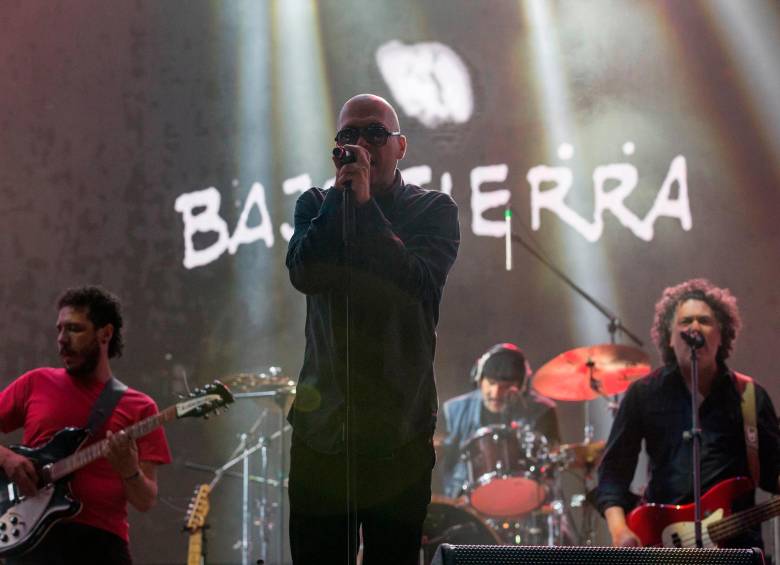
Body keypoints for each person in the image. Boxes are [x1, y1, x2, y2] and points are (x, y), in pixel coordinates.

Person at [285, 93, 459, 564]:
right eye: (349, 135)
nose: (361, 144)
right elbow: (304, 274)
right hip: (323, 433)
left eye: (375, 133)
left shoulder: (433, 210)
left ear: (400, 146)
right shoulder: (316, 205)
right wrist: (342, 201)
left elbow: (413, 285)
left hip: (398, 436)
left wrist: (364, 208)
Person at [597, 278, 780, 548]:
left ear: (722, 335)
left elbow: (772, 471)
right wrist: (619, 531)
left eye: (705, 321)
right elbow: (613, 474)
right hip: (663, 542)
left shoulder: (749, 396)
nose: (695, 327)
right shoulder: (644, 393)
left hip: (735, 547)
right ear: (670, 338)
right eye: (685, 322)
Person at [0, 286, 172, 564]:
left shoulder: (141, 407)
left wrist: (129, 471)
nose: (62, 339)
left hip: (101, 545)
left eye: (74, 329)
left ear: (105, 334)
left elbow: (145, 500)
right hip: (33, 540)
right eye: (59, 330)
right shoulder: (37, 382)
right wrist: (7, 458)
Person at [439, 342, 560, 501]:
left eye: (506, 386)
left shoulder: (542, 411)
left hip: (525, 498)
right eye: (491, 383)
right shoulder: (453, 411)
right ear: (479, 379)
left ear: (522, 387)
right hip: (464, 501)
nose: (495, 393)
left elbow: (552, 458)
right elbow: (439, 452)